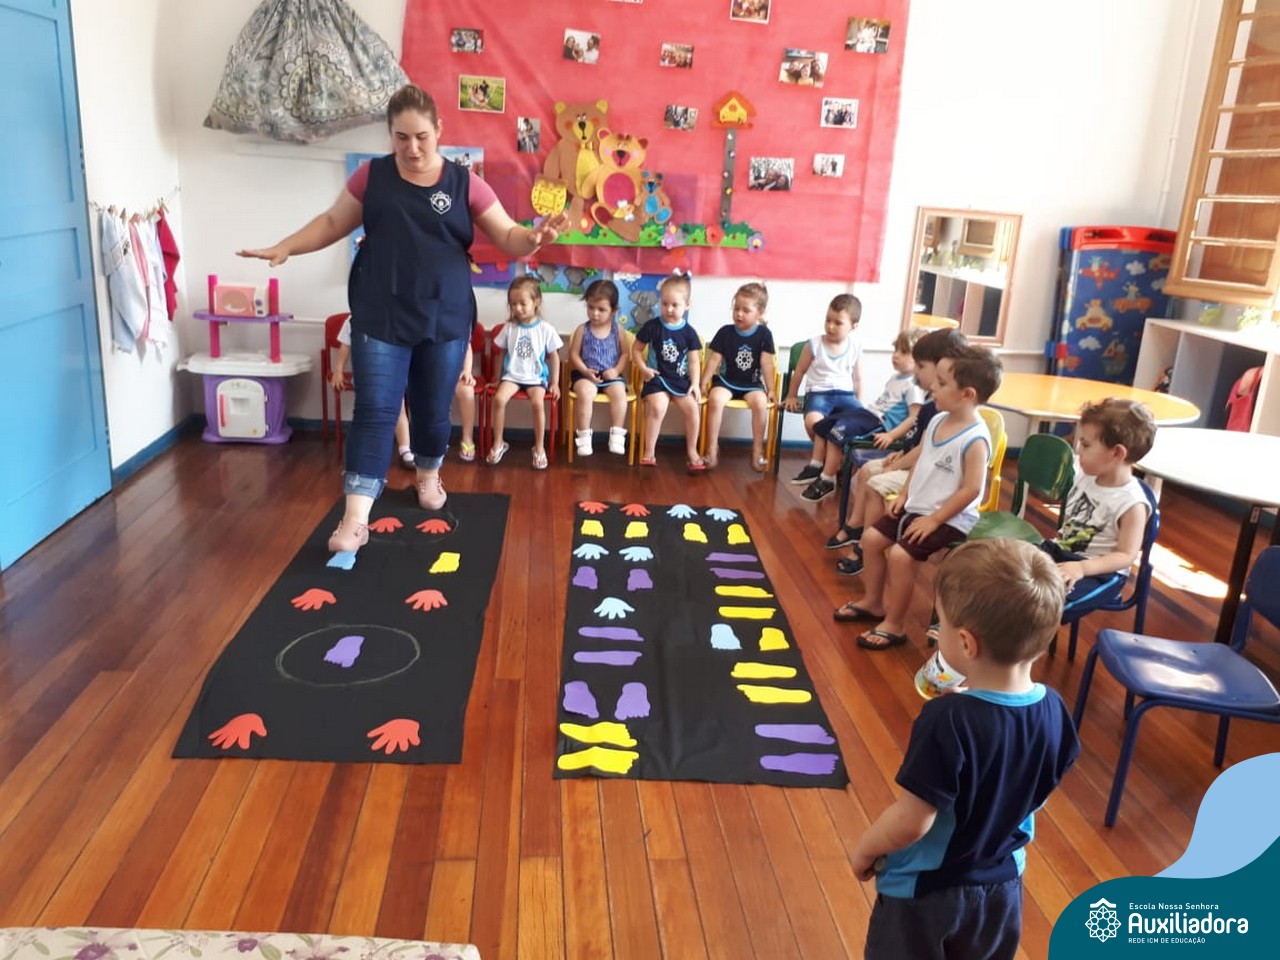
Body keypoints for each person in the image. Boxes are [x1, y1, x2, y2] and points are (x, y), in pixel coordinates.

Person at [239, 83, 568, 553]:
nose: (412, 148)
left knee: (433, 409)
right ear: (390, 136)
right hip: (380, 311)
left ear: (439, 131)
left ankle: (428, 473)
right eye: (401, 138)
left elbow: (509, 235)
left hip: (445, 315)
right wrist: (286, 247)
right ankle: (355, 519)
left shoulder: (465, 183)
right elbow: (332, 222)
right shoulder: (371, 178)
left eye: (421, 137)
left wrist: (534, 239)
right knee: (375, 409)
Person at [852, 538, 1079, 960]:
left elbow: (912, 821)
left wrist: (866, 848)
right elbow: (1038, 786)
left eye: (939, 625)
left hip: (927, 891)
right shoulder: (1054, 708)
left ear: (967, 643)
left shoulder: (946, 720)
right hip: (1004, 883)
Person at [835, 345, 1002, 649]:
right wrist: (904, 493)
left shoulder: (975, 438)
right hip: (917, 506)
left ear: (968, 394)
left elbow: (972, 490)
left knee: (901, 556)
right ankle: (874, 603)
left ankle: (895, 624)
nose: (932, 387)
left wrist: (935, 520)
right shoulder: (937, 420)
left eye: (942, 383)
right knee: (870, 540)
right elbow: (923, 460)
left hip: (950, 517)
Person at [829, 327, 970, 569]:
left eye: (921, 366)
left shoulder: (940, 409)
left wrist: (897, 465)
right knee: (867, 472)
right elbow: (917, 442)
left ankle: (864, 545)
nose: (915, 371)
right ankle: (856, 527)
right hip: (910, 463)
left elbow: (925, 453)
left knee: (874, 481)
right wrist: (900, 455)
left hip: (924, 477)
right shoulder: (933, 406)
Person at [1041, 398, 1155, 608]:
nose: (1078, 450)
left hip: (1100, 573)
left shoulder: (1132, 504)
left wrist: (1082, 568)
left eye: (1085, 445)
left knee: (1044, 602)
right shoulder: (1086, 475)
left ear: (1117, 453)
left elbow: (1126, 555)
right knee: (1011, 566)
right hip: (1060, 551)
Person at [799, 328, 926, 503]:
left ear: (920, 360)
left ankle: (827, 479)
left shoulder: (914, 386)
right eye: (896, 350)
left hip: (880, 423)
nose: (896, 355)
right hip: (868, 414)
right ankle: (816, 465)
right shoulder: (895, 378)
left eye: (903, 352)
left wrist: (891, 435)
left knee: (837, 432)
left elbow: (914, 418)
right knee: (824, 424)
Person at [782, 294, 864, 486]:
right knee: (815, 423)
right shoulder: (814, 344)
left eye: (838, 323)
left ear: (853, 326)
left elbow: (858, 378)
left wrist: (859, 404)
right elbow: (799, 372)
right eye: (828, 320)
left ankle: (839, 464)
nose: (830, 326)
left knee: (861, 425)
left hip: (845, 396)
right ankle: (826, 463)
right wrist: (791, 395)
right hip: (819, 395)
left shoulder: (855, 346)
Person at [487, 275, 563, 469]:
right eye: (513, 304)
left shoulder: (546, 329)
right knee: (499, 399)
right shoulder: (509, 328)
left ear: (536, 302)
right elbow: (500, 353)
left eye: (522, 303)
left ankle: (539, 447)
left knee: (538, 403)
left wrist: (554, 383)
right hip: (512, 376)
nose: (517, 308)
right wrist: (497, 378)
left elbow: (555, 356)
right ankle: (498, 443)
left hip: (536, 378)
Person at [701, 282, 777, 471]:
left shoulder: (764, 335)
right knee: (715, 399)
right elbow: (714, 360)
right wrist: (703, 382)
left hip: (751, 384)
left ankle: (757, 450)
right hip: (726, 381)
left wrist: (771, 389)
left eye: (746, 310)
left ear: (760, 312)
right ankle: (712, 448)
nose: (739, 314)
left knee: (760, 403)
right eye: (736, 309)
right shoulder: (725, 332)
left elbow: (767, 364)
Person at [632, 273, 704, 471]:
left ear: (687, 305)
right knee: (658, 407)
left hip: (680, 381)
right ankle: (649, 451)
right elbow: (636, 350)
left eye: (675, 305)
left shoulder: (689, 332)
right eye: (664, 304)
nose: (669, 309)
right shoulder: (652, 326)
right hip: (656, 379)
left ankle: (692, 451)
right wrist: (643, 368)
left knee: (693, 409)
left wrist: (695, 384)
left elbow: (694, 360)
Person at [328, 313, 416, 468]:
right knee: (370, 411)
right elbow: (345, 346)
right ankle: (366, 452)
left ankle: (405, 450)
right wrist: (338, 370)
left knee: (399, 407)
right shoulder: (354, 319)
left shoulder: (397, 316)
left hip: (393, 374)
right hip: (367, 375)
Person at [568, 278, 630, 457]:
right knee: (586, 393)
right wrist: (585, 371)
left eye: (601, 309)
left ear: (613, 310)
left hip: (611, 375)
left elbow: (625, 354)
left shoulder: (618, 330)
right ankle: (584, 437)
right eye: (590, 307)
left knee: (619, 393)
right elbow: (574, 354)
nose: (594, 313)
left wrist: (616, 370)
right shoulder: (582, 329)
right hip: (585, 374)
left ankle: (617, 436)